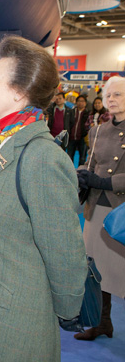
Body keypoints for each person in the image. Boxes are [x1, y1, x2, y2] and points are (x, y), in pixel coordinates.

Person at [0, 35, 87, 362]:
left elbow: (64, 252)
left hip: (14, 326)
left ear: (19, 92)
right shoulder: (2, 141)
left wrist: (67, 311)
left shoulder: (42, 159)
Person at [75, 75, 125, 341]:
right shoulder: (97, 131)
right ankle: (101, 321)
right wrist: (82, 174)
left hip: (121, 211)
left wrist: (106, 181)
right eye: (108, 95)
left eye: (118, 95)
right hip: (96, 210)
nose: (111, 100)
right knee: (96, 270)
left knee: (119, 271)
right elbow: (90, 163)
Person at [67, 94, 89, 165]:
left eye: (82, 101)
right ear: (76, 102)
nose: (80, 103)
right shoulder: (71, 111)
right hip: (71, 137)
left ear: (85, 103)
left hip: (82, 137)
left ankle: (80, 173)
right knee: (69, 157)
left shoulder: (88, 113)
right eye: (79, 101)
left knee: (82, 158)